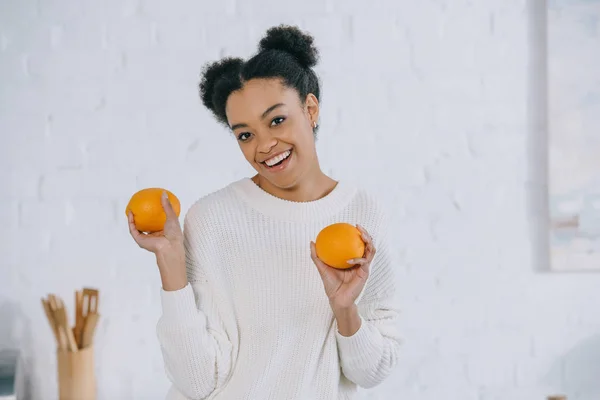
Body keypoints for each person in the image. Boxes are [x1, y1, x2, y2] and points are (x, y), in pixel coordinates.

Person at [127, 24, 401, 400]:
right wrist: (171, 264)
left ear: (310, 108)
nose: (265, 145)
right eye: (245, 134)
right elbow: (196, 381)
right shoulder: (211, 218)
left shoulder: (361, 213)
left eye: (276, 120)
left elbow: (372, 372)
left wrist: (344, 309)